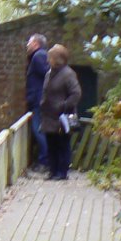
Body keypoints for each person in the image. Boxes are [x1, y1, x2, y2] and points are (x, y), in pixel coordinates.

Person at [40, 44, 82, 180]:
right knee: (51, 144)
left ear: (58, 59)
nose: (48, 60)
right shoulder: (49, 73)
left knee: (62, 144)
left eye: (50, 58)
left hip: (62, 117)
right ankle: (52, 171)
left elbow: (76, 93)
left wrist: (63, 106)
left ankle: (62, 172)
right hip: (49, 116)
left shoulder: (68, 74)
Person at [25, 34, 49, 169]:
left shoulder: (38, 56)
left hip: (38, 100)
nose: (27, 45)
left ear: (36, 44)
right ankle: (43, 159)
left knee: (38, 130)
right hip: (38, 99)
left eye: (29, 42)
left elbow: (46, 74)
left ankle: (44, 161)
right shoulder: (40, 56)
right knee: (38, 130)